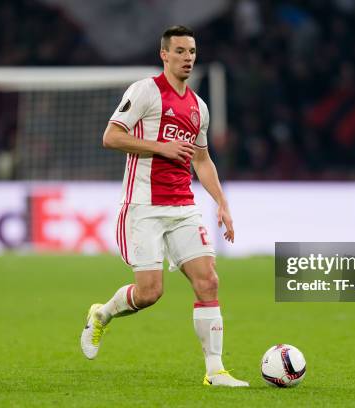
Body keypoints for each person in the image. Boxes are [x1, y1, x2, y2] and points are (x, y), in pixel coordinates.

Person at [80, 25, 248, 387]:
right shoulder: (145, 92)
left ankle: (215, 370)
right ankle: (102, 314)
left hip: (183, 207)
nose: (188, 57)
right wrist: (161, 147)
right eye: (181, 51)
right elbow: (110, 137)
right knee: (149, 293)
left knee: (209, 282)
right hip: (143, 206)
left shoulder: (198, 108)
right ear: (164, 55)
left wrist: (222, 203)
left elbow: (202, 161)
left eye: (192, 51)